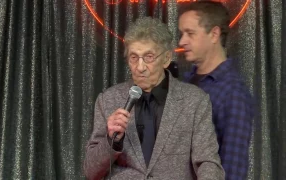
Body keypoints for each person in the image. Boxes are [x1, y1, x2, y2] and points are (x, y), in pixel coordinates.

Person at [84, 16, 224, 180]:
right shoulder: (108, 100)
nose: (140, 67)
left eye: (149, 57)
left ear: (165, 59)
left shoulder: (194, 101)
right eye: (134, 57)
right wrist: (111, 140)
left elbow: (207, 163)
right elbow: (91, 171)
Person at [178, 1, 254, 180]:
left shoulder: (233, 93)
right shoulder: (186, 82)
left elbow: (232, 169)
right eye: (182, 34)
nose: (182, 42)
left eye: (190, 33)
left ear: (214, 34)